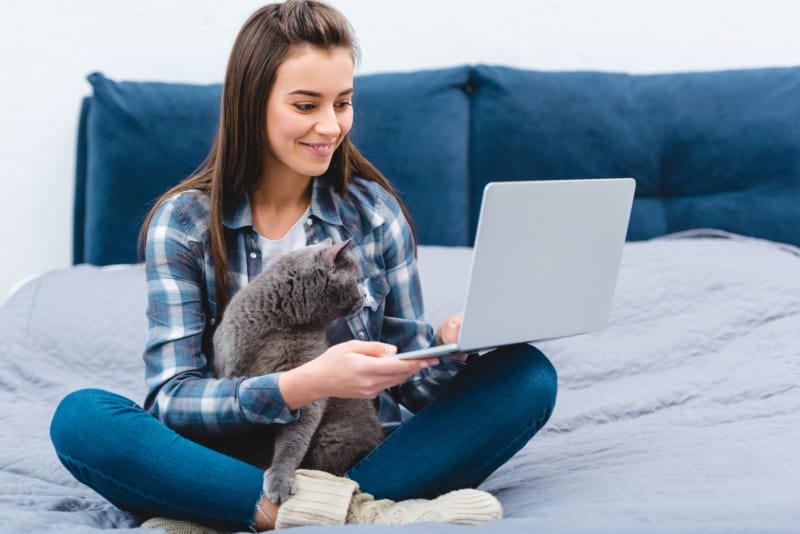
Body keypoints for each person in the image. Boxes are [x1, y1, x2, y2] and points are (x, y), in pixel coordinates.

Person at [49, 1, 558, 532]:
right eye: (306, 104)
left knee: (528, 376)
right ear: (253, 104)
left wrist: (451, 352)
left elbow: (410, 392)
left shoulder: (374, 213)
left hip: (361, 457)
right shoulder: (184, 224)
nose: (330, 125)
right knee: (83, 419)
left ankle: (270, 513)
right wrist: (303, 384)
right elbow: (172, 401)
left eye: (343, 103)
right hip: (230, 462)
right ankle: (343, 512)